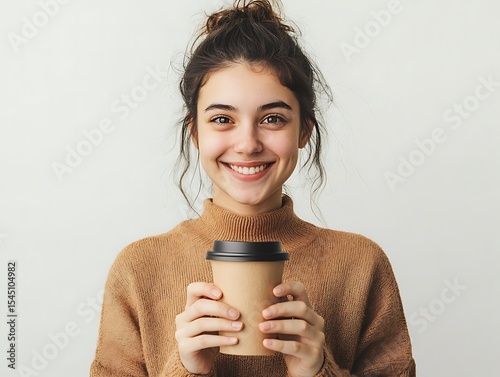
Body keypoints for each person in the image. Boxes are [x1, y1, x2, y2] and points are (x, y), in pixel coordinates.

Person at [89, 1, 416, 376]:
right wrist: (186, 368)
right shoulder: (138, 269)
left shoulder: (361, 265)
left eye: (273, 118)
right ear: (195, 131)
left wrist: (318, 370)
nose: (247, 144)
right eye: (222, 119)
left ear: (304, 130)